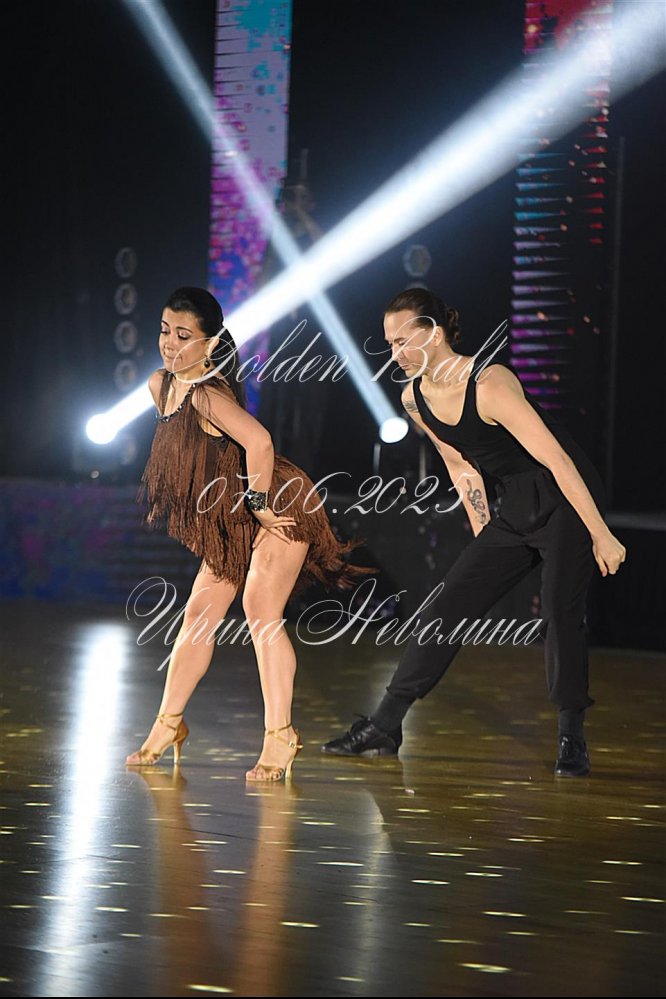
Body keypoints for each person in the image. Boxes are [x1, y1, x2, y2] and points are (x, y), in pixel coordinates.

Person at [321, 288, 626, 776]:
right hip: (515, 504)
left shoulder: (489, 383)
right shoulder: (414, 398)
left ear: (434, 334)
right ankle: (385, 724)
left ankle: (572, 736)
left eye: (402, 342)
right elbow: (460, 464)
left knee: (559, 611)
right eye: (390, 344)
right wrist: (484, 533)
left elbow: (556, 458)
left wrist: (600, 532)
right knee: (445, 608)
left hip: (566, 500)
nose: (394, 354)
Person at [125, 286, 371, 780]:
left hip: (276, 504)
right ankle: (168, 725)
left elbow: (260, 442)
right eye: (165, 331)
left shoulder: (207, 395)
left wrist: (258, 507)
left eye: (183, 335)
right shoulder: (160, 386)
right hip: (231, 519)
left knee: (261, 610)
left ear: (211, 343)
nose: (169, 343)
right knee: (198, 616)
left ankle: (281, 736)